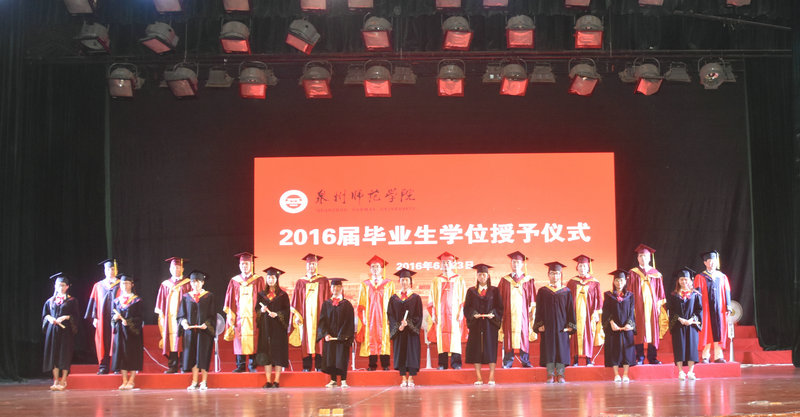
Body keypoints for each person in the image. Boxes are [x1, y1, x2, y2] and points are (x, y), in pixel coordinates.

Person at [533, 262, 576, 384]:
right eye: (552, 273)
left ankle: (561, 374)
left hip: (562, 327)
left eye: (557, 273)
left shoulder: (566, 291)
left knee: (561, 349)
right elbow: (539, 310)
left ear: (560, 275)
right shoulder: (543, 291)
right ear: (548, 275)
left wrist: (571, 325)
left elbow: (570, 310)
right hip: (548, 326)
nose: (555, 276)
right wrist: (539, 324)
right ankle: (550, 374)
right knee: (549, 349)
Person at [223, 252, 265, 372]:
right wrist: (230, 314)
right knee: (239, 340)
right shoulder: (234, 281)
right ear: (239, 265)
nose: (244, 266)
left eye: (247, 264)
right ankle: (240, 365)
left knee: (254, 339)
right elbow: (230, 299)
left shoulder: (258, 280)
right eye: (242, 264)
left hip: (254, 316)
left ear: (252, 265)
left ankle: (252, 365)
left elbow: (263, 298)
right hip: (239, 317)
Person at [289, 253, 331, 372]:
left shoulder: (323, 281)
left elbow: (327, 298)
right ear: (306, 266)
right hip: (305, 318)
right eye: (309, 264)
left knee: (319, 341)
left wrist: (327, 316)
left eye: (313, 264)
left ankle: (319, 366)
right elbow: (296, 301)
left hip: (319, 317)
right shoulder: (300, 282)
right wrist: (296, 315)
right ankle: (306, 367)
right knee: (305, 340)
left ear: (316, 265)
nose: (311, 266)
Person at [464, 264, 504, 385]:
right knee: (476, 350)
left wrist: (493, 314)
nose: (482, 277)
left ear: (488, 276)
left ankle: (491, 377)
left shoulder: (494, 291)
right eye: (480, 274)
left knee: (491, 349)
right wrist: (473, 314)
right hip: (476, 325)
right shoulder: (471, 291)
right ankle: (479, 378)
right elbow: (467, 308)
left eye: (484, 274)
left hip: (490, 325)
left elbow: (500, 307)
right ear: (477, 276)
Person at [496, 251, 537, 368]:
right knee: (508, 337)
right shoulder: (505, 280)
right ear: (511, 264)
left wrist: (532, 311)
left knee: (524, 336)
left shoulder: (528, 280)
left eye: (518, 262)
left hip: (523, 314)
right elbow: (499, 298)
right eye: (514, 262)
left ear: (522, 264)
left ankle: (525, 361)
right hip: (508, 314)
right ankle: (508, 362)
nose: (515, 264)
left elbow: (532, 298)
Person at [628, 244, 666, 365]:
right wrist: (630, 306)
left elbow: (660, 292)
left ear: (649, 258)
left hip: (652, 307)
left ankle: (652, 357)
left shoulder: (656, 274)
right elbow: (629, 290)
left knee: (653, 331)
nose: (642, 258)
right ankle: (639, 357)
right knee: (639, 331)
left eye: (645, 256)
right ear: (637, 258)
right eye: (640, 256)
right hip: (637, 306)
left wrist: (659, 306)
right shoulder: (633, 273)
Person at [356, 255, 395, 371]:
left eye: (377, 266)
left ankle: (385, 365)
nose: (375, 269)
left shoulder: (389, 284)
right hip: (370, 317)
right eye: (373, 267)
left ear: (382, 269)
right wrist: (363, 317)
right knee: (371, 338)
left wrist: (391, 317)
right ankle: (372, 365)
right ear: (370, 269)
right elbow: (361, 302)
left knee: (384, 339)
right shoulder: (365, 284)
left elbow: (393, 302)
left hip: (384, 317)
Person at [429, 251, 467, 370]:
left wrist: (462, 311)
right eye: (443, 263)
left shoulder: (459, 279)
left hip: (455, 314)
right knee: (441, 337)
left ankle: (456, 363)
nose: (445, 265)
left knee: (455, 337)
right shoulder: (436, 280)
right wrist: (433, 313)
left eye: (448, 263)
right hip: (440, 314)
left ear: (453, 264)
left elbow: (463, 297)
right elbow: (432, 298)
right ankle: (442, 364)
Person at [42, 273, 80, 391]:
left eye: (63, 285)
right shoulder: (50, 301)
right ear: (55, 286)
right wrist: (50, 319)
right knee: (54, 354)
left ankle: (63, 380)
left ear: (67, 286)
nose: (61, 287)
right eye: (58, 285)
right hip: (53, 330)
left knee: (64, 354)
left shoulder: (72, 301)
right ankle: (56, 380)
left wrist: (65, 317)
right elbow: (45, 314)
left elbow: (76, 316)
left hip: (65, 331)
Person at [178, 270, 215, 391]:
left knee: (203, 355)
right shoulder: (186, 297)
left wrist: (207, 325)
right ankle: (194, 381)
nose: (195, 284)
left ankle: (204, 381)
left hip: (204, 332)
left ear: (203, 282)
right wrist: (183, 323)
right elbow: (181, 314)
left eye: (198, 281)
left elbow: (212, 315)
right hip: (190, 333)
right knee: (192, 356)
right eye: (193, 282)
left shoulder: (209, 296)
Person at [694, 250, 732, 363]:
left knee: (719, 331)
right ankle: (706, 356)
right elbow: (697, 294)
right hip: (705, 309)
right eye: (709, 261)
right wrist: (698, 308)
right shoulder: (700, 277)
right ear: (705, 263)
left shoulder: (722, 276)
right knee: (706, 331)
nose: (712, 263)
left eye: (714, 261)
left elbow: (727, 291)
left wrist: (728, 306)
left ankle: (718, 356)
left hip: (720, 309)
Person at [155, 257, 191, 374]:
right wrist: (162, 316)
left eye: (178, 267)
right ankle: (173, 365)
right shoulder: (165, 285)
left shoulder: (188, 283)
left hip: (185, 318)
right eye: (174, 267)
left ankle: (185, 365)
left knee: (184, 340)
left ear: (183, 269)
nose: (176, 270)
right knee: (172, 340)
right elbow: (161, 304)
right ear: (170, 269)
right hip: (170, 319)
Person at [387, 268, 423, 388]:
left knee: (412, 354)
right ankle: (403, 378)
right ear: (399, 281)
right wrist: (398, 327)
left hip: (411, 332)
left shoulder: (416, 298)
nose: (404, 282)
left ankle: (411, 378)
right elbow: (391, 315)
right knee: (401, 354)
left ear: (410, 282)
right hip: (400, 332)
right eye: (402, 280)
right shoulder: (394, 298)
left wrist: (409, 323)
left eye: (406, 280)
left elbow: (419, 315)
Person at [84, 258, 120, 374]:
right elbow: (93, 302)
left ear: (117, 270)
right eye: (108, 269)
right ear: (104, 270)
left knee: (116, 341)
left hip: (117, 319)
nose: (111, 271)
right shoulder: (98, 285)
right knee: (103, 342)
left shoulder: (122, 284)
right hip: (102, 319)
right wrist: (94, 317)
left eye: (113, 269)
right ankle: (103, 366)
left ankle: (117, 367)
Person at [256, 267, 290, 388]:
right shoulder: (261, 295)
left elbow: (287, 311)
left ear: (277, 279)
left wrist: (278, 314)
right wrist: (261, 310)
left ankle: (276, 381)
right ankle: (268, 381)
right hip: (265, 328)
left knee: (278, 353)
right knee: (267, 354)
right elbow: (256, 310)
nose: (270, 280)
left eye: (273, 278)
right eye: (269, 277)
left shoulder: (283, 295)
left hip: (278, 328)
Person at [667, 268, 703, 380]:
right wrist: (679, 319)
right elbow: (671, 311)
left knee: (692, 348)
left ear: (690, 280)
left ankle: (691, 372)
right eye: (681, 279)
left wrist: (691, 320)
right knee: (679, 348)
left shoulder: (695, 294)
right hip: (678, 325)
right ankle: (681, 372)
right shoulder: (674, 295)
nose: (684, 281)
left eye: (686, 279)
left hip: (691, 325)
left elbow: (699, 310)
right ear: (678, 281)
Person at [318, 278, 355, 388]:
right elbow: (322, 321)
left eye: (338, 286)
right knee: (331, 359)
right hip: (330, 337)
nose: (336, 289)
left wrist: (343, 335)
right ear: (331, 288)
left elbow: (349, 321)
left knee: (342, 358)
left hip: (342, 338)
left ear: (341, 288)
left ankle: (343, 380)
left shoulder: (347, 304)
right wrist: (325, 334)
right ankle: (333, 380)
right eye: (333, 286)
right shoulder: (326, 304)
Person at [566, 254, 603, 366]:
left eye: (584, 266)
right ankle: (575, 360)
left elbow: (598, 298)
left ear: (588, 268)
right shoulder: (572, 282)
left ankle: (588, 359)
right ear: (577, 267)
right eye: (580, 266)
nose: (582, 268)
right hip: (575, 313)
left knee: (588, 334)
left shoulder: (594, 282)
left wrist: (596, 312)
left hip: (588, 313)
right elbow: (567, 299)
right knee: (574, 335)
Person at [602, 269, 636, 383]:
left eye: (621, 280)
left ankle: (625, 374)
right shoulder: (608, 295)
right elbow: (606, 311)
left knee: (627, 350)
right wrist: (611, 323)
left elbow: (632, 311)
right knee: (614, 349)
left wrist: (629, 324)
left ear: (625, 281)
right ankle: (616, 374)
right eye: (616, 280)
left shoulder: (630, 295)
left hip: (626, 327)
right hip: (613, 327)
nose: (619, 283)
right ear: (614, 281)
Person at [111, 273, 144, 390]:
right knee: (122, 355)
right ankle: (124, 380)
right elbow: (112, 316)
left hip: (133, 333)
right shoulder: (116, 301)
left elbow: (140, 317)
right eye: (122, 283)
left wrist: (129, 322)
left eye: (127, 283)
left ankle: (131, 380)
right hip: (120, 332)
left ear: (132, 284)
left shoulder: (137, 300)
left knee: (133, 355)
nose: (124, 286)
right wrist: (115, 318)